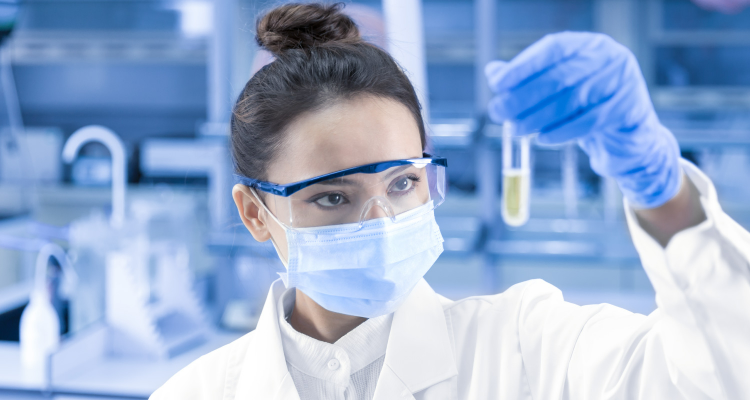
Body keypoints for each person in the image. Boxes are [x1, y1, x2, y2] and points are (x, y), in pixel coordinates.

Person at [151, 3, 750, 400]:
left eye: (402, 183)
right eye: (333, 197)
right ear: (255, 212)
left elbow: (720, 380)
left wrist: (664, 196)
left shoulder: (525, 351)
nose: (382, 221)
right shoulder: (197, 393)